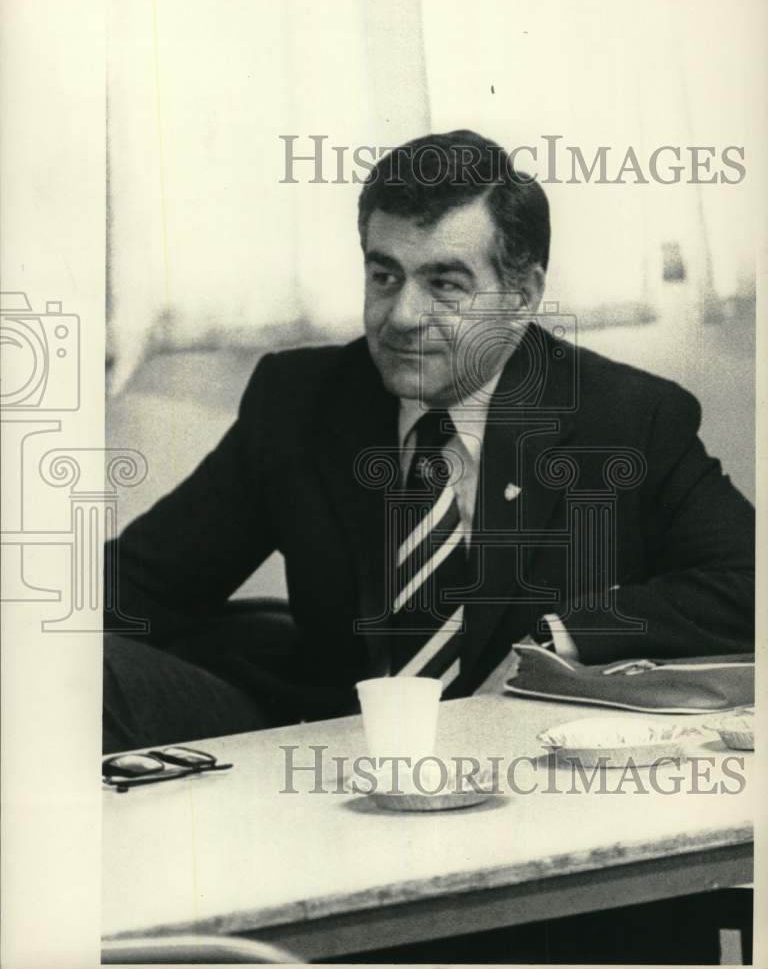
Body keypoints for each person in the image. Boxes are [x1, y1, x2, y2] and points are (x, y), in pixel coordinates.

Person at [103, 129, 754, 753]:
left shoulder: (627, 417)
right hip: (324, 737)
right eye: (384, 276)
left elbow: (747, 580)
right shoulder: (300, 399)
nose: (403, 317)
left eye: (444, 284)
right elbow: (140, 584)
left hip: (534, 754)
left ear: (522, 294)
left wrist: (559, 639)